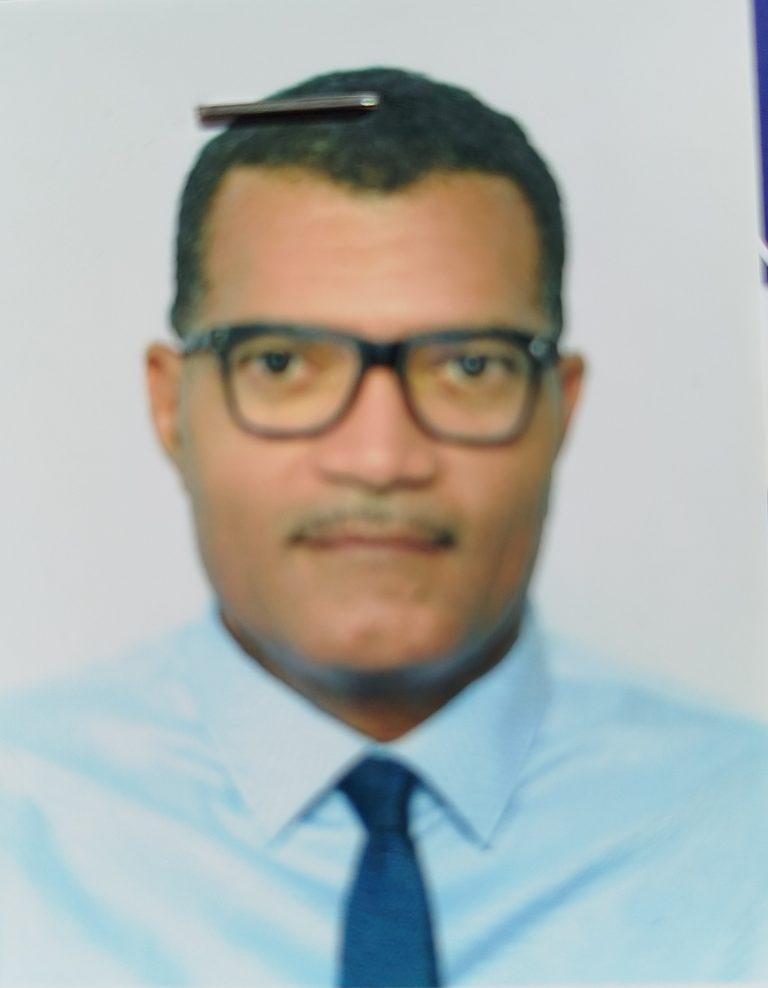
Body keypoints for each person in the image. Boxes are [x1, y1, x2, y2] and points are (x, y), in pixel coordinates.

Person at [0, 66, 766, 985]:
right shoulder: (21, 834)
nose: (380, 457)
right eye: (281, 363)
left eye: (470, 367)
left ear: (559, 407)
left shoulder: (743, 832)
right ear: (171, 407)